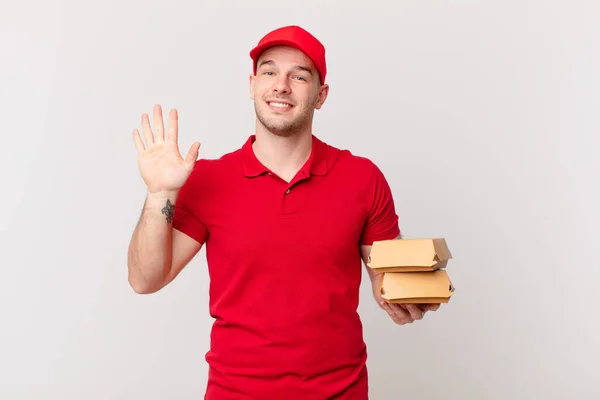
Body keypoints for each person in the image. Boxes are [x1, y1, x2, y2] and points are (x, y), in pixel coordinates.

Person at [128, 25, 441, 400]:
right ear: (252, 85)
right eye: (270, 71)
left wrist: (410, 296)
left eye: (299, 76)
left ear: (321, 95)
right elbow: (145, 279)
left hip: (340, 391)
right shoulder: (210, 179)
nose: (281, 85)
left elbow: (386, 281)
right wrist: (160, 192)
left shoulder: (362, 179)